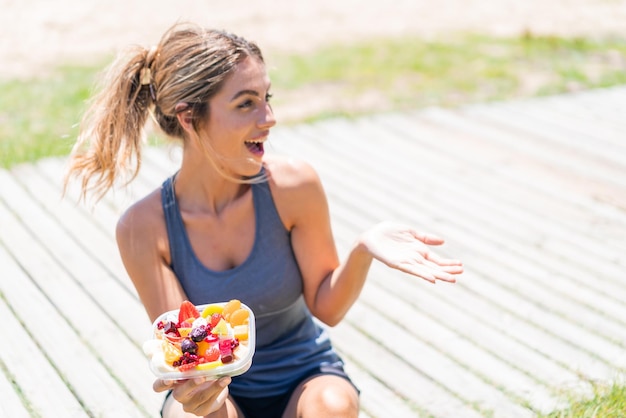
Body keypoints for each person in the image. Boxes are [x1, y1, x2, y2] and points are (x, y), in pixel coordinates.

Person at [64, 22, 464, 418]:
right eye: (246, 103)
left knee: (332, 406)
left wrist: (363, 249)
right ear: (188, 118)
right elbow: (191, 354)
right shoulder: (143, 228)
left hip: (305, 377)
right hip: (219, 386)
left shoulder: (293, 186)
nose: (269, 117)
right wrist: (200, 397)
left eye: (266, 97)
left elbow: (328, 307)